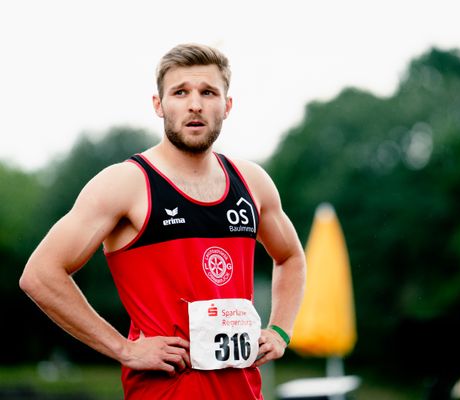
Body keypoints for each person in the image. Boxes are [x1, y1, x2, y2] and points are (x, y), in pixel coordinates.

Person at [19, 43, 306, 399]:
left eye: (208, 92)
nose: (195, 104)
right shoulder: (126, 183)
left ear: (227, 106)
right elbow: (41, 274)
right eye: (180, 92)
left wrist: (280, 330)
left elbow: (291, 257)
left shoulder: (253, 182)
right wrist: (123, 348)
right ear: (159, 105)